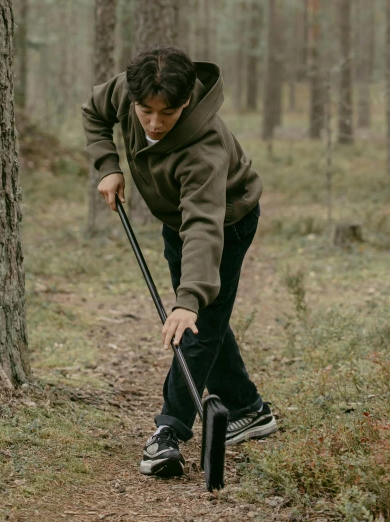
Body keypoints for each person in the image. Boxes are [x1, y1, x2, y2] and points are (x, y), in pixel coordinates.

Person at [82, 46, 276, 478]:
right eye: (144, 111)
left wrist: (189, 298)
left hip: (226, 221)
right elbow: (94, 112)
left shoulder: (203, 148)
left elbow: (205, 227)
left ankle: (168, 431)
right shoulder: (129, 90)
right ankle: (249, 409)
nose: (153, 123)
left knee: (198, 319)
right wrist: (108, 165)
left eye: (166, 113)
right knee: (204, 317)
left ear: (186, 101)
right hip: (176, 218)